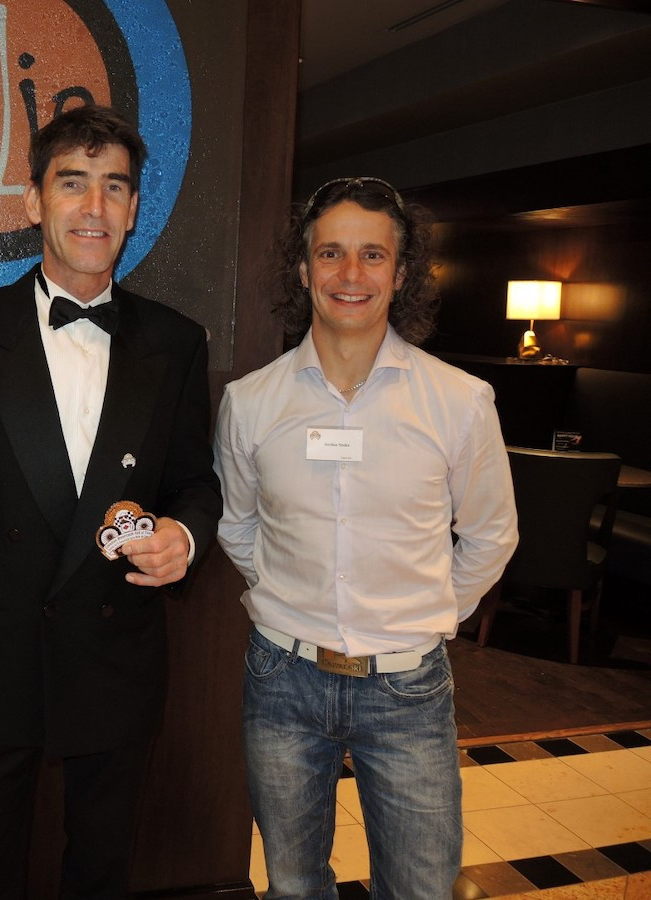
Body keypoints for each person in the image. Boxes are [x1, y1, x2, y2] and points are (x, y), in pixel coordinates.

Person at [0, 105, 222, 897]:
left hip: (115, 659)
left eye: (115, 187)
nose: (95, 206)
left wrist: (186, 532)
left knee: (102, 873)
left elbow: (194, 479)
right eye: (72, 183)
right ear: (35, 200)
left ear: (135, 208)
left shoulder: (176, 342)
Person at [214, 176, 518, 899]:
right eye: (331, 254)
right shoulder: (251, 403)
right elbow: (237, 525)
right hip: (281, 682)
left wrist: (423, 611)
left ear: (401, 273)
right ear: (303, 269)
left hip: (408, 689)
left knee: (419, 887)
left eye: (373, 256)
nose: (351, 275)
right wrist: (288, 596)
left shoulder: (460, 402)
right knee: (292, 884)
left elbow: (490, 535)